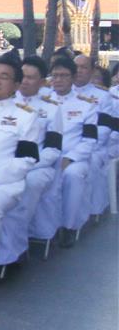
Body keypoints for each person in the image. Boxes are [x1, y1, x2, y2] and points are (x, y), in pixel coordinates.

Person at [0, 60, 40, 281]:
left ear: (16, 85)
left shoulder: (27, 115)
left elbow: (25, 160)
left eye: (4, 77)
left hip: (4, 184)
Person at [45, 57, 98, 247]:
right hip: (45, 156)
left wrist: (70, 157)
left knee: (72, 176)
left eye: (64, 76)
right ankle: (41, 230)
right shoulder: (43, 102)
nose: (58, 80)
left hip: (75, 157)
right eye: (55, 75)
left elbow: (90, 140)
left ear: (73, 77)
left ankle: (68, 226)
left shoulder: (86, 104)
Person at [15, 56, 64, 242]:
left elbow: (53, 149)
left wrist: (27, 166)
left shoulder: (51, 109)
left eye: (31, 77)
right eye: (22, 76)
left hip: (39, 166)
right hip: (6, 164)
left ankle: (19, 235)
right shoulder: (6, 103)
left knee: (31, 182)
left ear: (42, 82)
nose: (25, 81)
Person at [72, 54, 114, 216]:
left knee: (90, 163)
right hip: (64, 146)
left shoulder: (103, 96)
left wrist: (82, 148)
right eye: (76, 67)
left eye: (84, 67)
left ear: (91, 71)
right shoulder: (56, 93)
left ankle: (84, 213)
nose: (79, 71)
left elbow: (104, 130)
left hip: (94, 147)